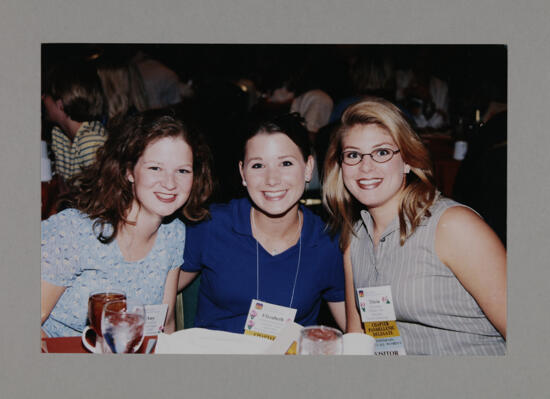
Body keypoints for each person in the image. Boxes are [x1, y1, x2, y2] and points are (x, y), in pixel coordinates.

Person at [322, 97, 506, 355]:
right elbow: (358, 342)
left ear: (408, 160)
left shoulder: (452, 227)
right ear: (340, 166)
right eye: (353, 155)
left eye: (382, 152)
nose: (366, 166)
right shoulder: (354, 240)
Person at [41, 110, 213, 337]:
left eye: (182, 171)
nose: (170, 183)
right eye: (155, 168)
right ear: (129, 171)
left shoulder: (173, 234)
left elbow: (165, 326)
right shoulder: (73, 231)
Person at [178, 113, 346, 334]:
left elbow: (355, 333)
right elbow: (157, 294)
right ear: (243, 173)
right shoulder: (211, 226)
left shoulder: (328, 242)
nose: (272, 180)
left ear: (308, 168)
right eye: (258, 166)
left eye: (286, 163)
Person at [42, 61, 107, 181]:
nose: (42, 98)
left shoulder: (91, 143)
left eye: (47, 94)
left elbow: (104, 195)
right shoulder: (59, 135)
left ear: (60, 103)